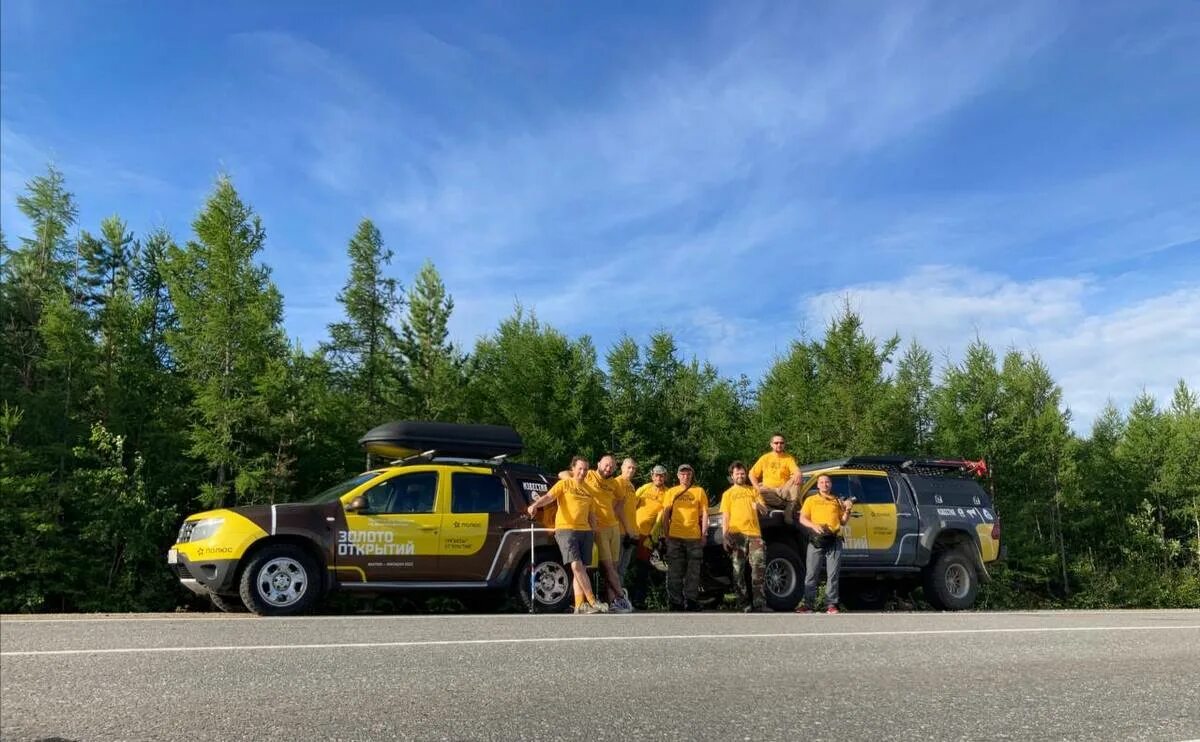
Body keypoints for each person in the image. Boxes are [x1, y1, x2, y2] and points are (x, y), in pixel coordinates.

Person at [527, 456, 607, 614]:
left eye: (585, 469)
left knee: (581, 568)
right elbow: (549, 497)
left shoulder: (589, 490)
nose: (583, 472)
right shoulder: (565, 483)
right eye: (580, 469)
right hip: (566, 529)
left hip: (585, 531)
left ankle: (579, 605)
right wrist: (535, 505)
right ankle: (592, 600)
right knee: (576, 565)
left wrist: (595, 530)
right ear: (573, 469)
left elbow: (591, 513)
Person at [561, 454, 636, 613]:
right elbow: (563, 474)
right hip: (597, 528)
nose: (608, 469)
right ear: (598, 463)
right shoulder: (588, 474)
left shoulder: (614, 483)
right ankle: (621, 597)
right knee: (607, 566)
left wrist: (619, 519)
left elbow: (621, 501)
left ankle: (613, 601)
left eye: (611, 467)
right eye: (606, 465)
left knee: (613, 568)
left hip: (613, 527)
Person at [796, 474, 854, 614]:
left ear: (831, 484)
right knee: (811, 574)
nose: (824, 484)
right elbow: (802, 519)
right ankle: (808, 605)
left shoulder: (837, 500)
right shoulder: (811, 500)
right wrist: (813, 526)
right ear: (818, 485)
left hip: (834, 540)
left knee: (833, 574)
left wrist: (848, 509)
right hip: (816, 540)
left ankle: (831, 605)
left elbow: (843, 521)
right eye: (821, 482)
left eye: (827, 482)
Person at [719, 461, 770, 612]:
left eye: (742, 473)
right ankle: (744, 604)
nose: (740, 476)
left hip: (754, 535)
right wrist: (724, 536)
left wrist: (758, 506)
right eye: (737, 474)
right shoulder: (728, 494)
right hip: (736, 535)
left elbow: (765, 511)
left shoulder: (753, 491)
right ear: (732, 476)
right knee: (737, 570)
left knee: (758, 568)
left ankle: (760, 604)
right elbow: (725, 517)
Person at [660, 464, 709, 611]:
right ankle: (676, 602)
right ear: (678, 476)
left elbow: (705, 513)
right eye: (682, 474)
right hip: (675, 536)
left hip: (694, 537)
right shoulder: (671, 492)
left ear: (691, 475)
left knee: (693, 571)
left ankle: (691, 600)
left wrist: (704, 533)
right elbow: (665, 514)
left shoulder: (699, 491)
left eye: (688, 474)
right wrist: (666, 534)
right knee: (675, 570)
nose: (685, 477)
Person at [628, 464, 669, 609]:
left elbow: (662, 517)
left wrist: (654, 537)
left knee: (642, 568)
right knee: (625, 565)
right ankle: (618, 597)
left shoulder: (667, 493)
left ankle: (638, 600)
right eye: (656, 475)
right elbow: (631, 505)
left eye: (662, 475)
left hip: (649, 537)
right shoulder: (644, 488)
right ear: (652, 476)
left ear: (665, 477)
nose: (659, 478)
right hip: (632, 531)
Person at [749, 433, 803, 523]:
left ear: (784, 444)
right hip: (769, 491)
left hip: (784, 490)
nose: (779, 445)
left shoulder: (788, 458)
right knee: (758, 492)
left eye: (781, 443)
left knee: (797, 478)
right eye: (776, 443)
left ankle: (788, 511)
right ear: (771, 444)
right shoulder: (765, 458)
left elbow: (795, 469)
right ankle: (789, 506)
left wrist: (798, 473)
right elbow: (751, 474)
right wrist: (757, 487)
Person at [616, 457, 639, 584]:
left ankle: (620, 596)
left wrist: (634, 531)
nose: (631, 470)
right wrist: (628, 530)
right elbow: (617, 509)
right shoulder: (617, 483)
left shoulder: (631, 486)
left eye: (634, 468)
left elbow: (631, 509)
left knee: (623, 568)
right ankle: (613, 598)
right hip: (620, 532)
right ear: (622, 468)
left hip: (631, 533)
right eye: (629, 467)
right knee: (616, 567)